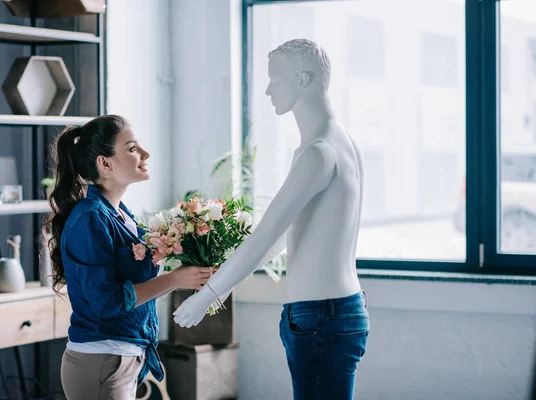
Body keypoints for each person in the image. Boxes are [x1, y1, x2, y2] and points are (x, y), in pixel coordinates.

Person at [173, 39, 369, 399]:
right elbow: (279, 239)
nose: (267, 90)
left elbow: (264, 236)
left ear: (305, 78)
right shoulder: (340, 143)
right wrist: (222, 282)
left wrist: (207, 297)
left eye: (275, 81)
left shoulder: (319, 153)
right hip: (330, 313)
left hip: (321, 318)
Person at [43, 114, 212, 400]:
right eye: (132, 148)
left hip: (119, 358)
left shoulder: (124, 216)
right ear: (105, 163)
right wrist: (175, 279)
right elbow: (106, 301)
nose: (145, 154)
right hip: (101, 362)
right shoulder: (89, 219)